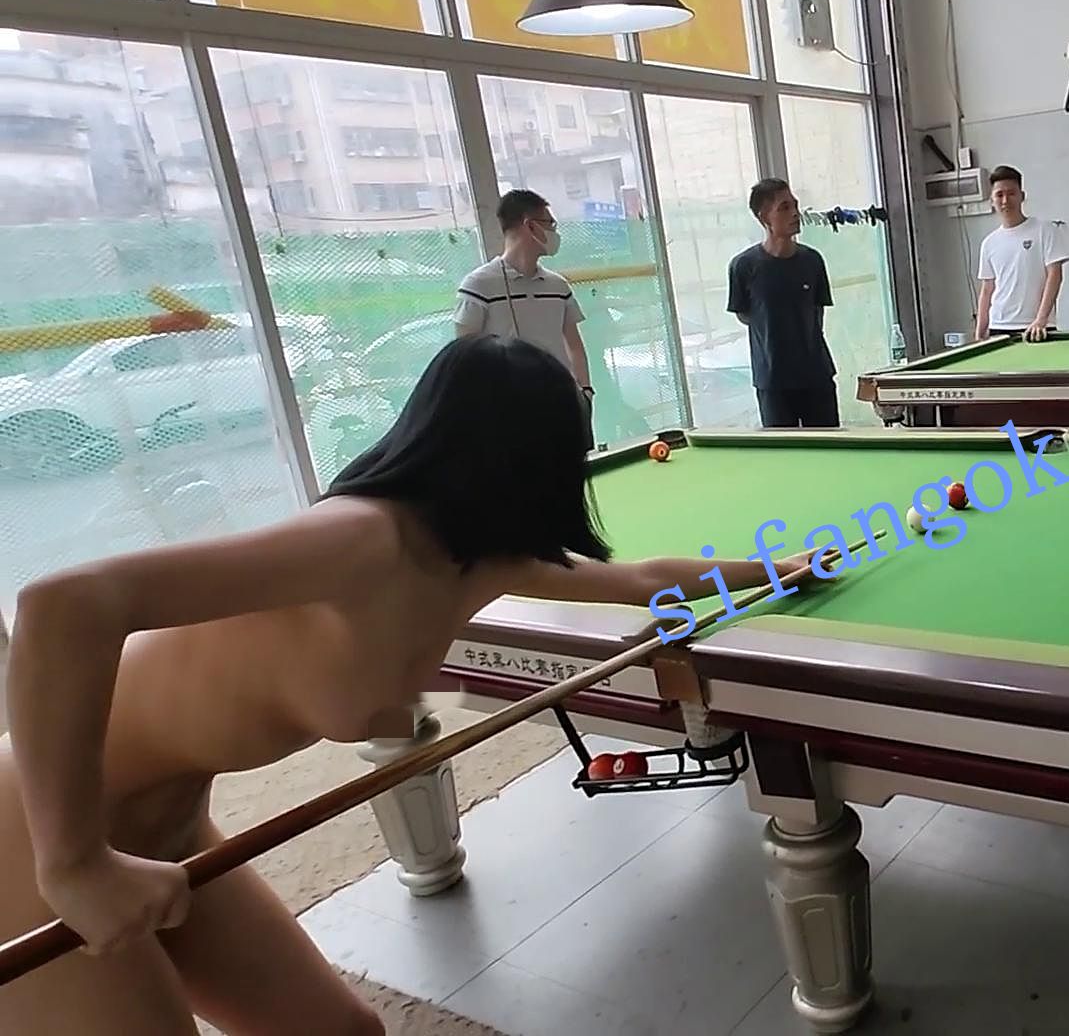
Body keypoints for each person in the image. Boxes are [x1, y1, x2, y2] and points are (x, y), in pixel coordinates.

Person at [0, 335, 821, 1034]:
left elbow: (642, 578)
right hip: (36, 832)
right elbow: (62, 608)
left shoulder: (480, 558)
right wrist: (74, 863)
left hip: (171, 827)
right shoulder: (358, 540)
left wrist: (776, 569)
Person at [455, 190, 594, 408]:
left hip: (560, 400)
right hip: (507, 405)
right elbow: (464, 355)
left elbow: (574, 345)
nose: (554, 232)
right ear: (531, 226)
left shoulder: (558, 286)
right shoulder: (478, 285)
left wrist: (585, 392)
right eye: (550, 224)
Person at [728, 178, 840, 428]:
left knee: (827, 445)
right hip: (772, 381)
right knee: (782, 447)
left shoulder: (812, 261)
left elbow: (818, 310)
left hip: (816, 376)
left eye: (795, 205)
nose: (795, 213)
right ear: (763, 217)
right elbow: (744, 314)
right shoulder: (743, 266)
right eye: (784, 207)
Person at [975, 165, 1069, 343]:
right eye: (999, 195)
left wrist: (1041, 319)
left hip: (1037, 327)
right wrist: (980, 329)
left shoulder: (1045, 230)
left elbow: (1055, 276)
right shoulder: (989, 243)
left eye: (1011, 193)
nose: (1005, 200)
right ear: (992, 200)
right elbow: (987, 289)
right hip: (999, 326)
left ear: (1022, 196)